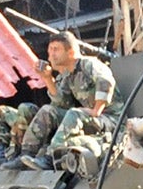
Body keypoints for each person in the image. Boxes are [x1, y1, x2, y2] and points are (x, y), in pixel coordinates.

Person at [17, 32, 116, 169]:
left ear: (70, 52)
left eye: (56, 49)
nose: (51, 54)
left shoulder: (89, 64)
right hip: (90, 118)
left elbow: (105, 81)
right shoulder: (68, 74)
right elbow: (61, 103)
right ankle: (25, 154)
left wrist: (96, 110)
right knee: (48, 110)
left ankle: (50, 157)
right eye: (50, 50)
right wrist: (47, 78)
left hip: (109, 119)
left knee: (74, 113)